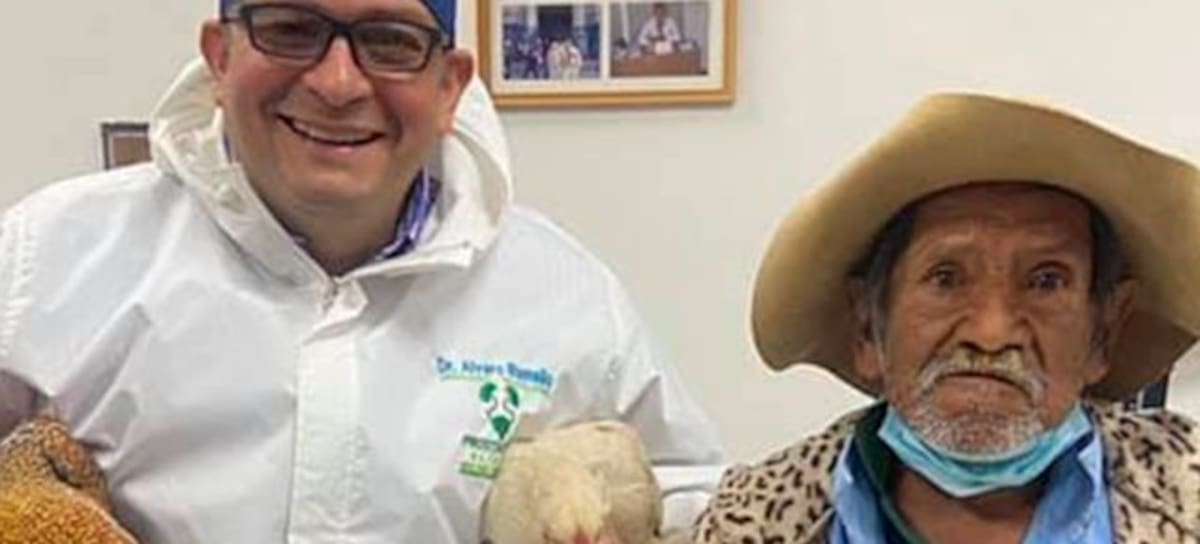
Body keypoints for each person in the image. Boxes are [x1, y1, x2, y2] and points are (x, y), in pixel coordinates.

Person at [0, 0, 723, 541]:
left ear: (450, 86)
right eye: (291, 28)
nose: (338, 82)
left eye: (390, 41)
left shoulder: (568, 299)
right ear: (219, 57)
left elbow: (695, 507)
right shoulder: (48, 259)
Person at [694, 93, 1200, 543]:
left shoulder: (1185, 498)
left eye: (1046, 281)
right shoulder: (755, 524)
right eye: (946, 278)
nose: (991, 333)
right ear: (868, 326)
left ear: (1104, 333)